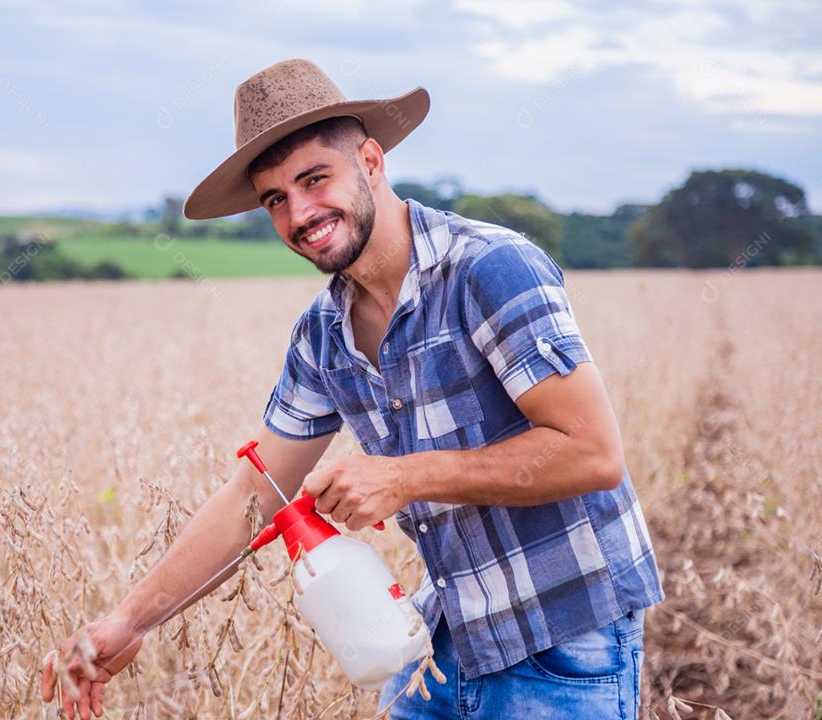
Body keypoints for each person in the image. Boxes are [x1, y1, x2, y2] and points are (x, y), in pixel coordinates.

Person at [41, 58, 664, 720]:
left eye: (315, 179)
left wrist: (404, 477)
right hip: (448, 634)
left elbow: (592, 452)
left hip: (564, 640)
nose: (300, 213)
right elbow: (255, 496)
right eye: (276, 198)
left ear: (370, 161)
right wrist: (128, 623)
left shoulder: (488, 268)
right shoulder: (321, 334)